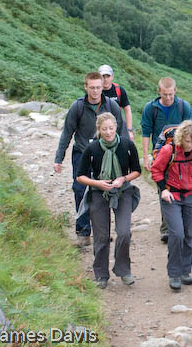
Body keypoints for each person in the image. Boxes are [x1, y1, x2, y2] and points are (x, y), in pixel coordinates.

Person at [54, 72, 129, 247]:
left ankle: (102, 232)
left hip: (106, 154)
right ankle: (83, 232)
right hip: (82, 153)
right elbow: (67, 133)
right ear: (86, 87)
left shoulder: (111, 106)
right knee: (80, 190)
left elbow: (121, 131)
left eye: (98, 87)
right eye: (92, 87)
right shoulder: (77, 107)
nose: (95, 91)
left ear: (103, 87)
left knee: (105, 192)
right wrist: (59, 158)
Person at [76, 113, 141, 288]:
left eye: (111, 128)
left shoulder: (127, 145)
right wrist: (97, 183)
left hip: (123, 192)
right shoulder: (92, 148)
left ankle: (124, 270)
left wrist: (123, 179)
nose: (108, 132)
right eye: (104, 129)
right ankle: (101, 274)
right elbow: (80, 176)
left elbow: (137, 170)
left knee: (124, 232)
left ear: (116, 127)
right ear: (99, 129)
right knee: (101, 236)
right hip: (99, 193)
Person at [151, 120, 192, 291]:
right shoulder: (169, 150)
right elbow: (156, 170)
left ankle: (185, 271)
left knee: (188, 234)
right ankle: (174, 274)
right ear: (181, 138)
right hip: (171, 195)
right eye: (187, 141)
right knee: (177, 234)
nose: (189, 145)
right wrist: (163, 190)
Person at [141, 77, 192, 242]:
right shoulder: (151, 108)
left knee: (183, 189)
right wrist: (146, 156)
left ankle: (180, 225)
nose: (168, 98)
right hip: (161, 156)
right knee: (164, 189)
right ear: (159, 92)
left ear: (175, 91)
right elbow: (146, 133)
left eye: (171, 94)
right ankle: (167, 229)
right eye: (165, 94)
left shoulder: (183, 107)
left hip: (182, 156)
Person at [98, 64, 135, 141]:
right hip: (101, 127)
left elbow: (127, 110)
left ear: (112, 77)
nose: (105, 79)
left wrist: (129, 130)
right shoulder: (96, 91)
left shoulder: (119, 90)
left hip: (118, 125)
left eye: (108, 76)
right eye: (103, 76)